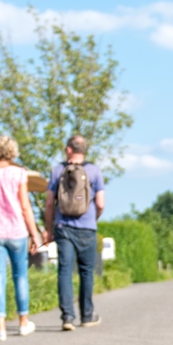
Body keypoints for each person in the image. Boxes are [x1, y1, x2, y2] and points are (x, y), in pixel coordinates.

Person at [0, 135, 43, 341]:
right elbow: (24, 206)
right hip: (16, 232)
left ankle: (1, 328)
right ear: (13, 152)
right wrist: (35, 234)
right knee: (20, 276)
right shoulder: (19, 173)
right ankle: (23, 323)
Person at [44, 134, 105, 331]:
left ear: (69, 149)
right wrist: (92, 220)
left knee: (65, 271)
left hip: (64, 228)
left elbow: (49, 203)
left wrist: (48, 229)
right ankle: (87, 315)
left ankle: (68, 317)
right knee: (87, 272)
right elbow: (101, 204)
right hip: (87, 227)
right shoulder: (94, 171)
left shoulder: (57, 171)